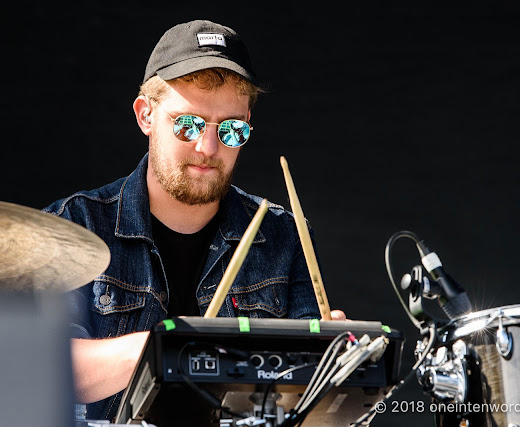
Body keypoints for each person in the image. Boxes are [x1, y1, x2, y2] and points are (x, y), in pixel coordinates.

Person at [43, 19, 345, 422]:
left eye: (232, 130)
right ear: (145, 115)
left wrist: (331, 363)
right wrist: (166, 348)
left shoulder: (284, 235)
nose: (207, 147)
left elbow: (306, 406)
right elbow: (45, 369)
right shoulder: (72, 227)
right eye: (188, 124)